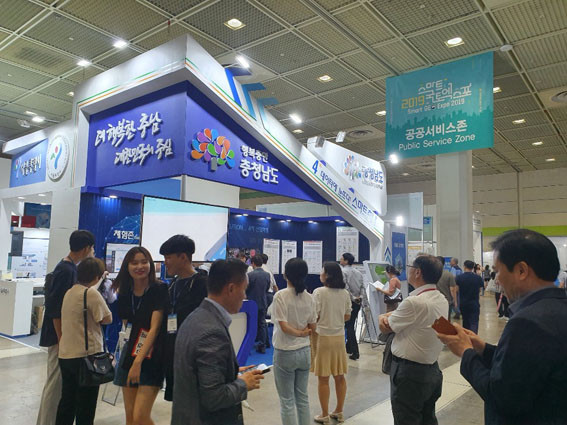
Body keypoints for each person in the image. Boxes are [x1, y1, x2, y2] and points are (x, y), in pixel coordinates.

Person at [437, 229, 567, 425]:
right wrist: (483, 349)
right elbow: (524, 368)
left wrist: (466, 353)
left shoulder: (527, 322)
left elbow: (503, 398)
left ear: (521, 270)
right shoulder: (557, 308)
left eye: (498, 271)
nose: (496, 279)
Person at [171, 258, 264, 425]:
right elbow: (214, 397)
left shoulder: (196, 317)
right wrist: (243, 384)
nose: (244, 296)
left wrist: (228, 371)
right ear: (231, 289)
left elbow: (198, 374)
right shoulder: (211, 332)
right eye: (244, 290)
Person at [378, 255, 447, 425]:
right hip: (432, 370)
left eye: (409, 267)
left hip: (409, 375)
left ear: (417, 272)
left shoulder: (414, 302)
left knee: (406, 419)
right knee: (427, 418)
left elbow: (386, 327)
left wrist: (382, 317)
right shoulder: (441, 299)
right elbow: (441, 327)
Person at [37, 230, 95, 425]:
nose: (92, 253)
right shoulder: (66, 270)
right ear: (86, 248)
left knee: (59, 384)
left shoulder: (68, 268)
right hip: (58, 338)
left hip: (62, 337)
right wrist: (62, 339)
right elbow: (55, 310)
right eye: (92, 249)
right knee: (55, 384)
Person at [113, 247, 169, 425]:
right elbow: (127, 327)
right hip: (130, 353)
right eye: (134, 263)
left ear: (150, 264)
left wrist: (137, 363)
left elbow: (155, 328)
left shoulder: (159, 289)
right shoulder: (124, 292)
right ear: (127, 266)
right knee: (130, 417)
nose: (140, 267)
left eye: (144, 262)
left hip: (152, 356)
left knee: (140, 417)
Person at [55, 257, 112, 425]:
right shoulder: (91, 294)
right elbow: (107, 318)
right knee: (86, 406)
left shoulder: (70, 292)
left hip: (66, 355)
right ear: (97, 276)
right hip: (86, 358)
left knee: (67, 401)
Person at [160, 235, 208, 402]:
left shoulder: (202, 284)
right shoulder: (172, 284)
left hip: (194, 355)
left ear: (183, 257)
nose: (165, 262)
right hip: (173, 351)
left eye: (168, 258)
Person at [270, 258, 317, 425]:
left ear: (285, 274)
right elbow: (313, 326)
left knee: (287, 400)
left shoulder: (280, 296)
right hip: (304, 351)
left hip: (285, 351)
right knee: (302, 398)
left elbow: (283, 326)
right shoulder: (310, 297)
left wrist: (299, 333)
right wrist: (304, 333)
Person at [312, 262, 351, 424]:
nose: (320, 273)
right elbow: (347, 316)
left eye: (322, 271)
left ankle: (324, 414)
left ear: (327, 275)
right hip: (339, 337)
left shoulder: (319, 292)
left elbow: (314, 316)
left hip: (323, 338)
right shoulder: (344, 293)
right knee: (340, 376)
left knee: (323, 378)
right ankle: (339, 411)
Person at [339, 253, 364, 360]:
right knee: (351, 324)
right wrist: (360, 297)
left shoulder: (342, 272)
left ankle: (355, 352)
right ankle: (348, 348)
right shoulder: (358, 272)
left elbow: (345, 287)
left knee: (348, 326)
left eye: (342, 258)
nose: (340, 260)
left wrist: (353, 298)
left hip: (349, 302)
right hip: (358, 301)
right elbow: (362, 286)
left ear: (346, 261)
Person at [247, 255, 272, 353]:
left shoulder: (250, 275)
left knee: (250, 324)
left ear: (253, 263)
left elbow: (247, 288)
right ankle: (263, 344)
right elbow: (267, 288)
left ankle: (249, 345)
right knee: (262, 323)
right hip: (263, 301)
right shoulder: (267, 275)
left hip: (252, 302)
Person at [455, 260, 484, 333]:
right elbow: (480, 290)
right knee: (474, 322)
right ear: (473, 267)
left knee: (465, 321)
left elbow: (456, 290)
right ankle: (473, 337)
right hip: (474, 303)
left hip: (463, 303)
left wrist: (456, 302)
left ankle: (466, 337)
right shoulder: (478, 278)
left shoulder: (459, 277)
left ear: (464, 266)